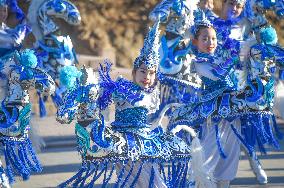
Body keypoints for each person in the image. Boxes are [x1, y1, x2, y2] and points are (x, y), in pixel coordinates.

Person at [56, 22, 211, 188]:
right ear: (134, 72)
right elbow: (99, 96)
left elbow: (147, 105)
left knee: (151, 181)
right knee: (126, 181)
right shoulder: (121, 87)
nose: (147, 77)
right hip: (120, 141)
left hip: (142, 143)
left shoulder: (151, 94)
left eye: (152, 73)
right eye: (143, 71)